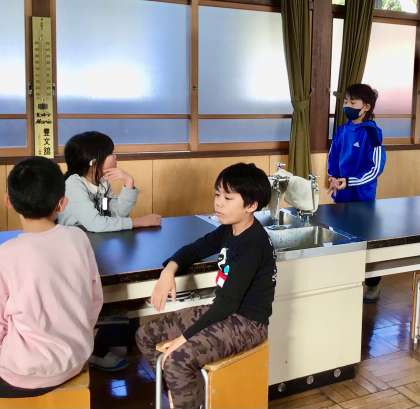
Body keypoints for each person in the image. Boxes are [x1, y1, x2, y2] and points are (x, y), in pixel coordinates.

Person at [136, 163, 277, 409]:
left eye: (228, 198)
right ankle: (185, 396)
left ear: (251, 206)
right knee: (146, 335)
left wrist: (184, 338)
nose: (218, 203)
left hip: (247, 324)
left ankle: (188, 398)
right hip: (223, 313)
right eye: (217, 194)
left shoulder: (254, 244)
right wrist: (169, 270)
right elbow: (195, 249)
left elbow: (226, 305)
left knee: (177, 359)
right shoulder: (228, 230)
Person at [0, 157, 102, 397]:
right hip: (75, 360)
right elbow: (95, 300)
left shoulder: (6, 254)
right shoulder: (78, 239)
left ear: (8, 202)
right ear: (62, 203)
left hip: (22, 374)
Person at [328, 83, 386, 303]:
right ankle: (346, 284)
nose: (347, 106)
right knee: (342, 241)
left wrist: (350, 182)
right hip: (342, 198)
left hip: (363, 200)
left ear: (366, 107)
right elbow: (333, 156)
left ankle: (372, 285)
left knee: (366, 245)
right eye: (345, 102)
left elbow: (375, 168)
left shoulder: (372, 132)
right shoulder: (342, 130)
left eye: (353, 102)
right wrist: (333, 177)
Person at [58, 131, 161, 232]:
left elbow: (116, 214)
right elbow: (96, 224)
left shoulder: (102, 183)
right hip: (74, 240)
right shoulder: (73, 184)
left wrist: (129, 183)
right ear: (94, 163)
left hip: (94, 238)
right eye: (110, 153)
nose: (115, 156)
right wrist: (137, 222)